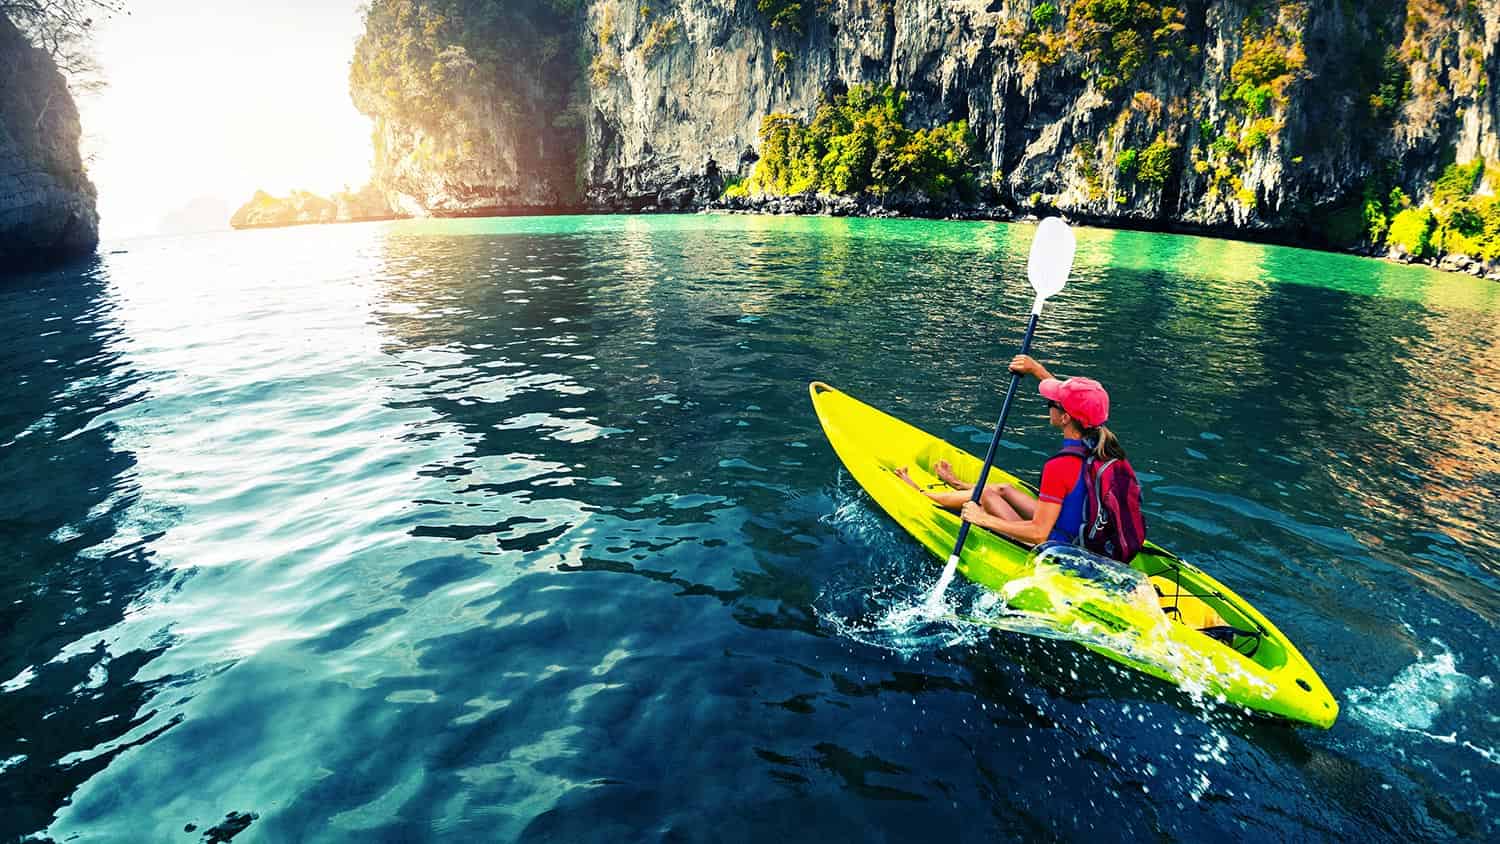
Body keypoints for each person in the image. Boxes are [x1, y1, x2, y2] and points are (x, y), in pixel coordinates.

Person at [894, 354, 1125, 548]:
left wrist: (982, 519)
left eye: (1051, 402)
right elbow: (1077, 402)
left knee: (986, 498)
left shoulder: (1060, 467)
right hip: (1082, 532)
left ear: (1065, 418)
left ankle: (921, 495)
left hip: (1060, 548)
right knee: (1004, 489)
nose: (1049, 403)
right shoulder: (1104, 444)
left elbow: (1038, 534)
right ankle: (959, 487)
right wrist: (1036, 369)